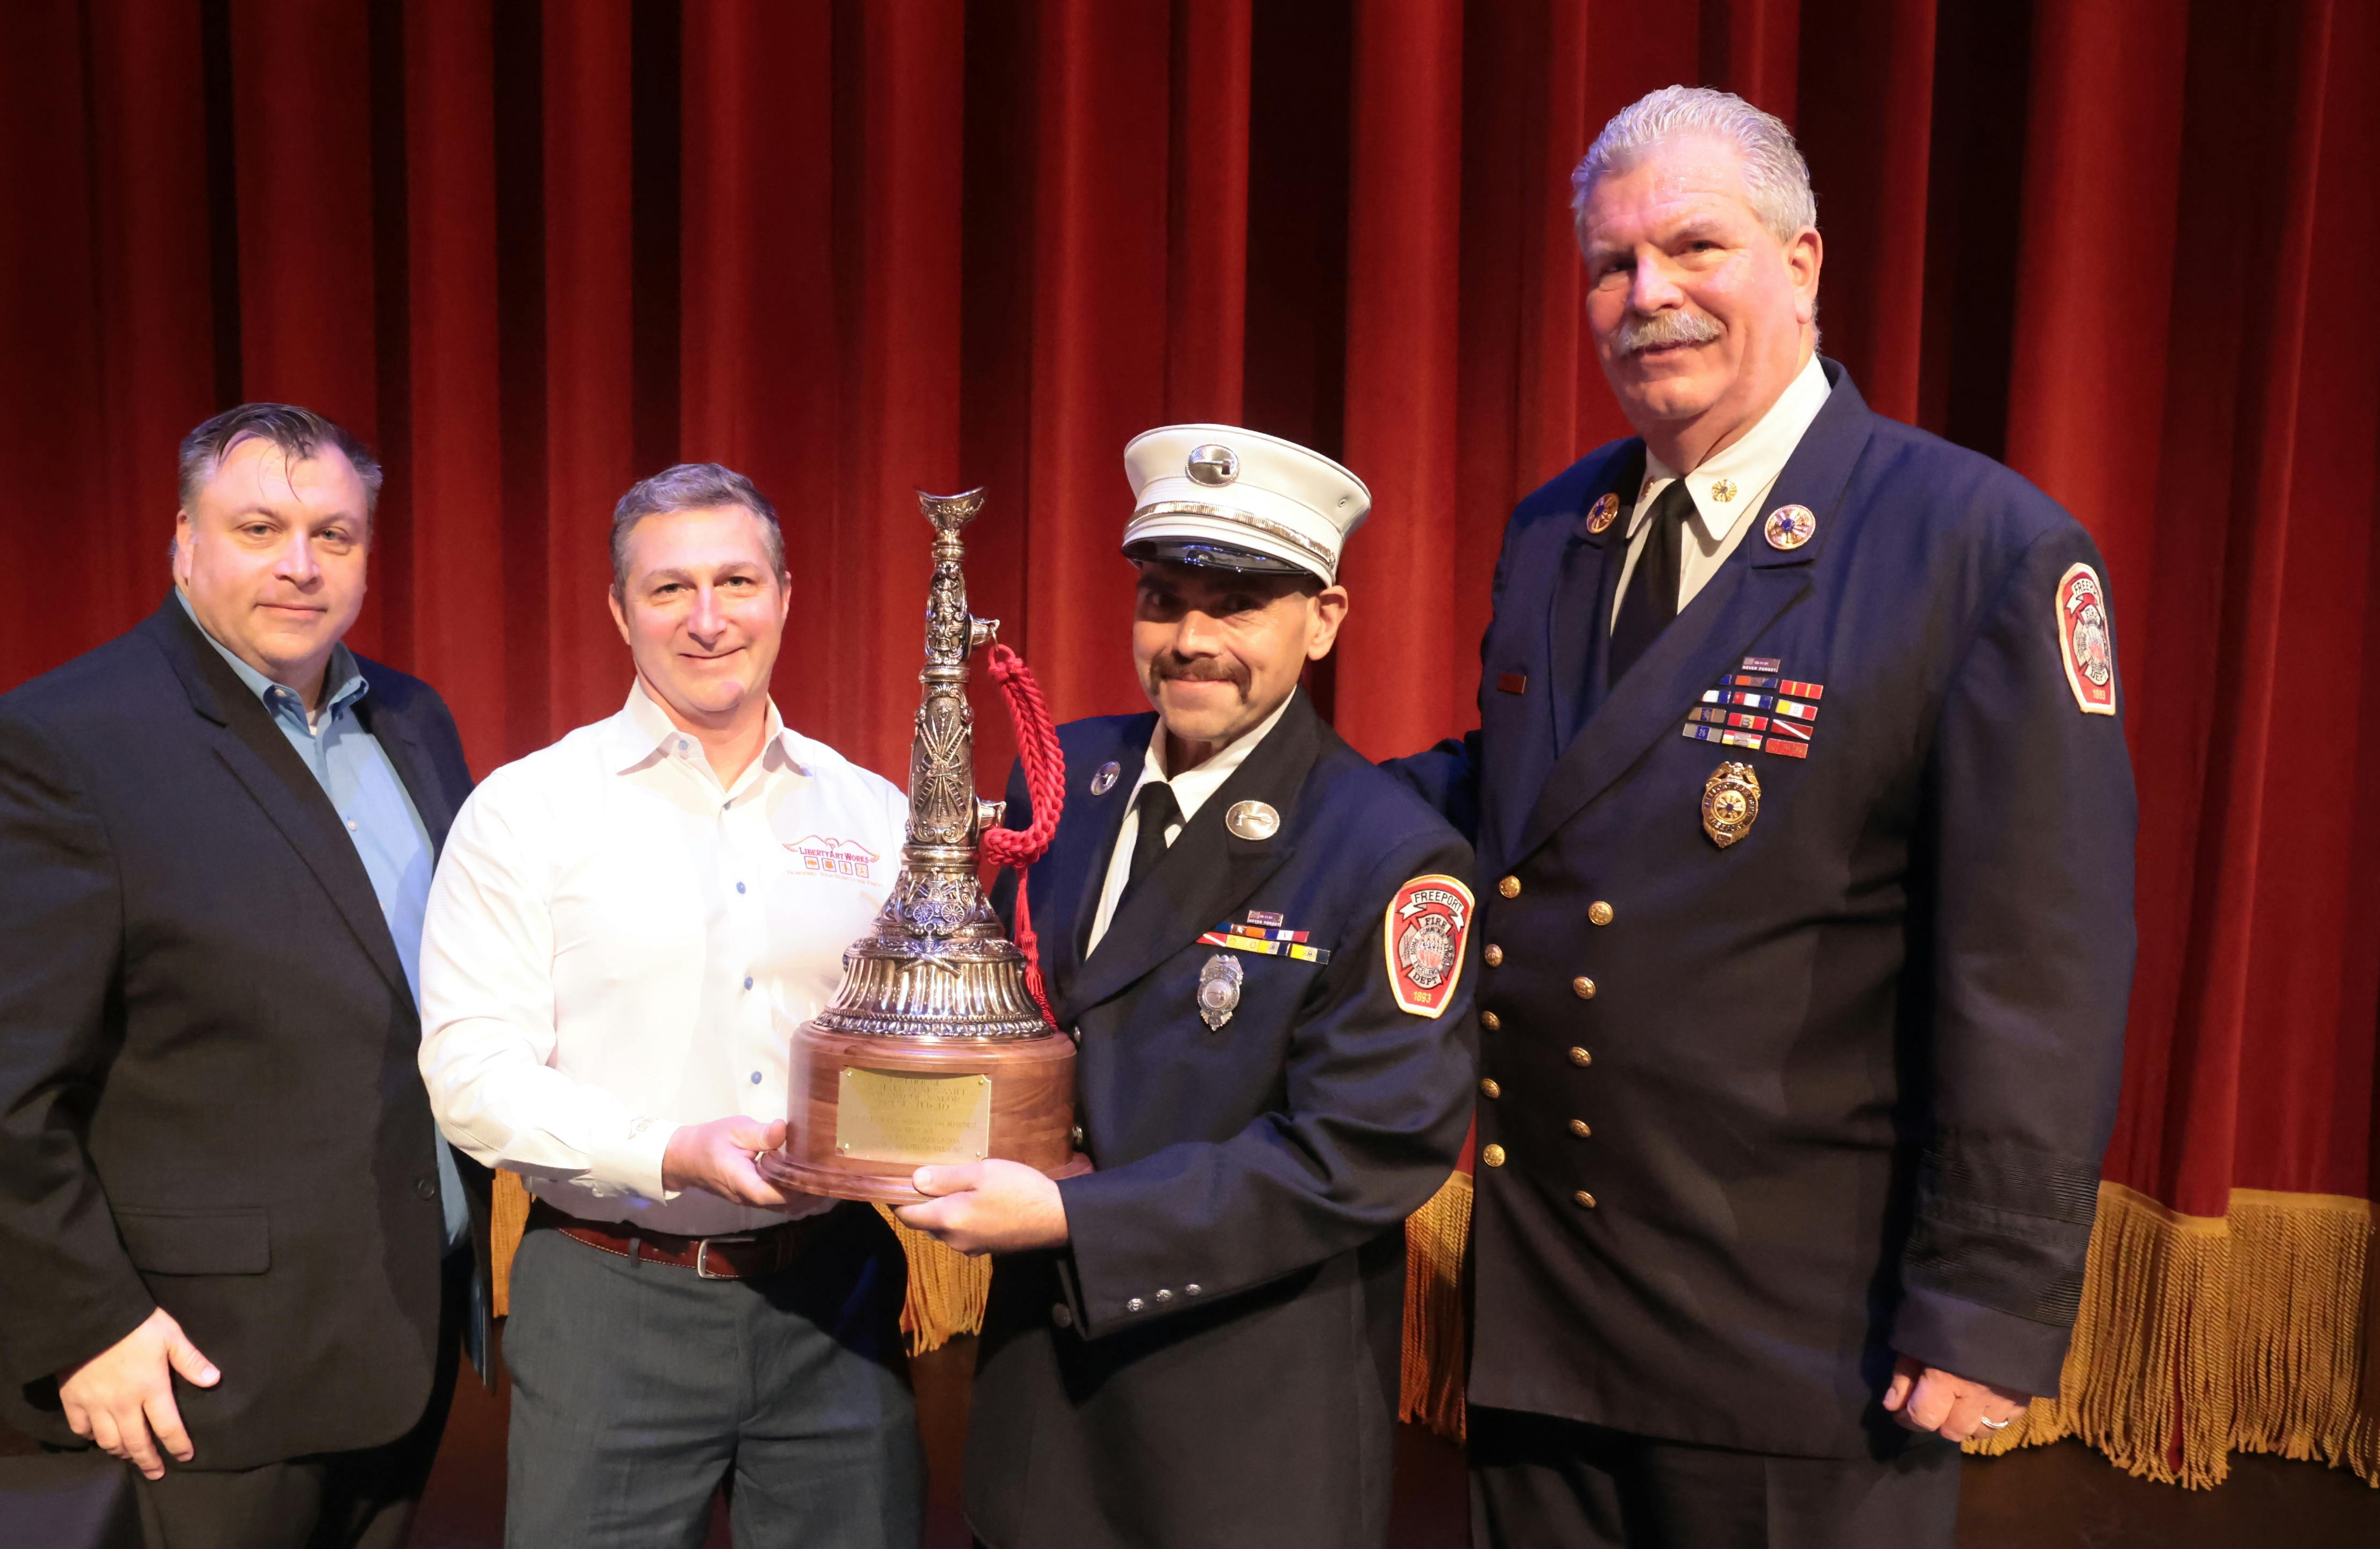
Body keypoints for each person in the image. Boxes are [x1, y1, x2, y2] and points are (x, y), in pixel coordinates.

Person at [1386, 86, 2136, 1547]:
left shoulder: (1975, 545)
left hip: (1806, 1342)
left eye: (1691, 248)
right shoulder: (1560, 526)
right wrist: (1246, 813)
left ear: (1798, 264)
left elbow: (2035, 963)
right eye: (1611, 266)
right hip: (1555, 1307)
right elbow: (1518, 798)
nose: (1645, 296)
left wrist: (1988, 1293)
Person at [0, 403, 488, 1549]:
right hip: (189, 1371)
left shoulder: (413, 721)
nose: (300, 565)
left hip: (395, 1334)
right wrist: (86, 1325)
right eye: (259, 527)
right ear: (183, 541)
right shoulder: (60, 743)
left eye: (336, 535)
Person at [896, 426, 1481, 1549]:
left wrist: (1072, 1213)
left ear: (1324, 620)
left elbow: (1361, 1152)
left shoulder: (1389, 852)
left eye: (1240, 605)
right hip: (1041, 1414)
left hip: (1241, 1436)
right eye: (1163, 600)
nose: (1190, 641)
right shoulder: (1065, 775)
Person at [416, 463, 923, 1549]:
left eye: (737, 582)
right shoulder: (527, 812)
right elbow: (470, 1080)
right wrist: (672, 1150)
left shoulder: (875, 812)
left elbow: (913, 1051)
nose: (708, 620)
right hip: (611, 1293)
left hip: (834, 1293)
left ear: (786, 598)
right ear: (618, 610)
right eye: (668, 589)